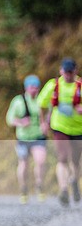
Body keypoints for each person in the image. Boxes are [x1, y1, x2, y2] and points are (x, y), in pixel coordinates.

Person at [37, 58, 82, 206]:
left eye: (70, 72)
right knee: (62, 158)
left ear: (75, 71)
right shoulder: (53, 85)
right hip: (60, 127)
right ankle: (63, 189)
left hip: (78, 128)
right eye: (66, 72)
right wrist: (43, 123)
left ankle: (74, 181)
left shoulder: (80, 85)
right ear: (61, 71)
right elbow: (41, 104)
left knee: (75, 161)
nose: (68, 75)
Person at [6, 74, 47, 203]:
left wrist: (46, 123)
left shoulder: (42, 100)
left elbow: (49, 112)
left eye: (37, 87)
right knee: (23, 164)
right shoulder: (18, 101)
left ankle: (39, 186)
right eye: (32, 87)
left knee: (40, 161)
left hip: (38, 136)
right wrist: (21, 122)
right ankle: (23, 189)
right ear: (26, 88)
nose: (34, 90)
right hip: (23, 138)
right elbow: (9, 119)